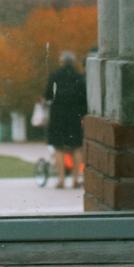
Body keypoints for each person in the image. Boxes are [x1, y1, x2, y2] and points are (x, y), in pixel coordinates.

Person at [44, 49, 87, 189]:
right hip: (74, 115)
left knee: (58, 147)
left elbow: (48, 96)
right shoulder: (79, 77)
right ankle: (76, 179)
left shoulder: (55, 76)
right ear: (73, 62)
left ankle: (61, 179)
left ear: (61, 61)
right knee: (76, 147)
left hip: (58, 116)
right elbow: (84, 99)